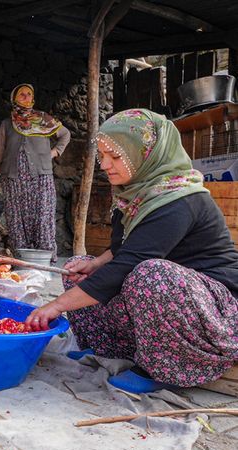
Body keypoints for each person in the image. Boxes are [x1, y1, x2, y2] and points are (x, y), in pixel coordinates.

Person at [26, 109, 238, 393]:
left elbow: (130, 263)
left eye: (115, 156)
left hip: (214, 307)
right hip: (166, 299)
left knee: (150, 275)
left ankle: (162, 368)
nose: (105, 165)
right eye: (103, 155)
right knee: (78, 267)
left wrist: (55, 305)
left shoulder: (179, 199)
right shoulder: (133, 195)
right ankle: (109, 349)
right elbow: (125, 247)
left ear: (146, 155)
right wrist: (96, 264)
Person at [0, 83, 71, 262]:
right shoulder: (7, 124)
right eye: (22, 94)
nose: (26, 97)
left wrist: (54, 152)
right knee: (17, 218)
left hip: (41, 177)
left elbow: (65, 134)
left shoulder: (43, 119)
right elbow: (0, 153)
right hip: (14, 179)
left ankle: (44, 258)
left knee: (43, 215)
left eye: (29, 94)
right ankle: (22, 259)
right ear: (14, 99)